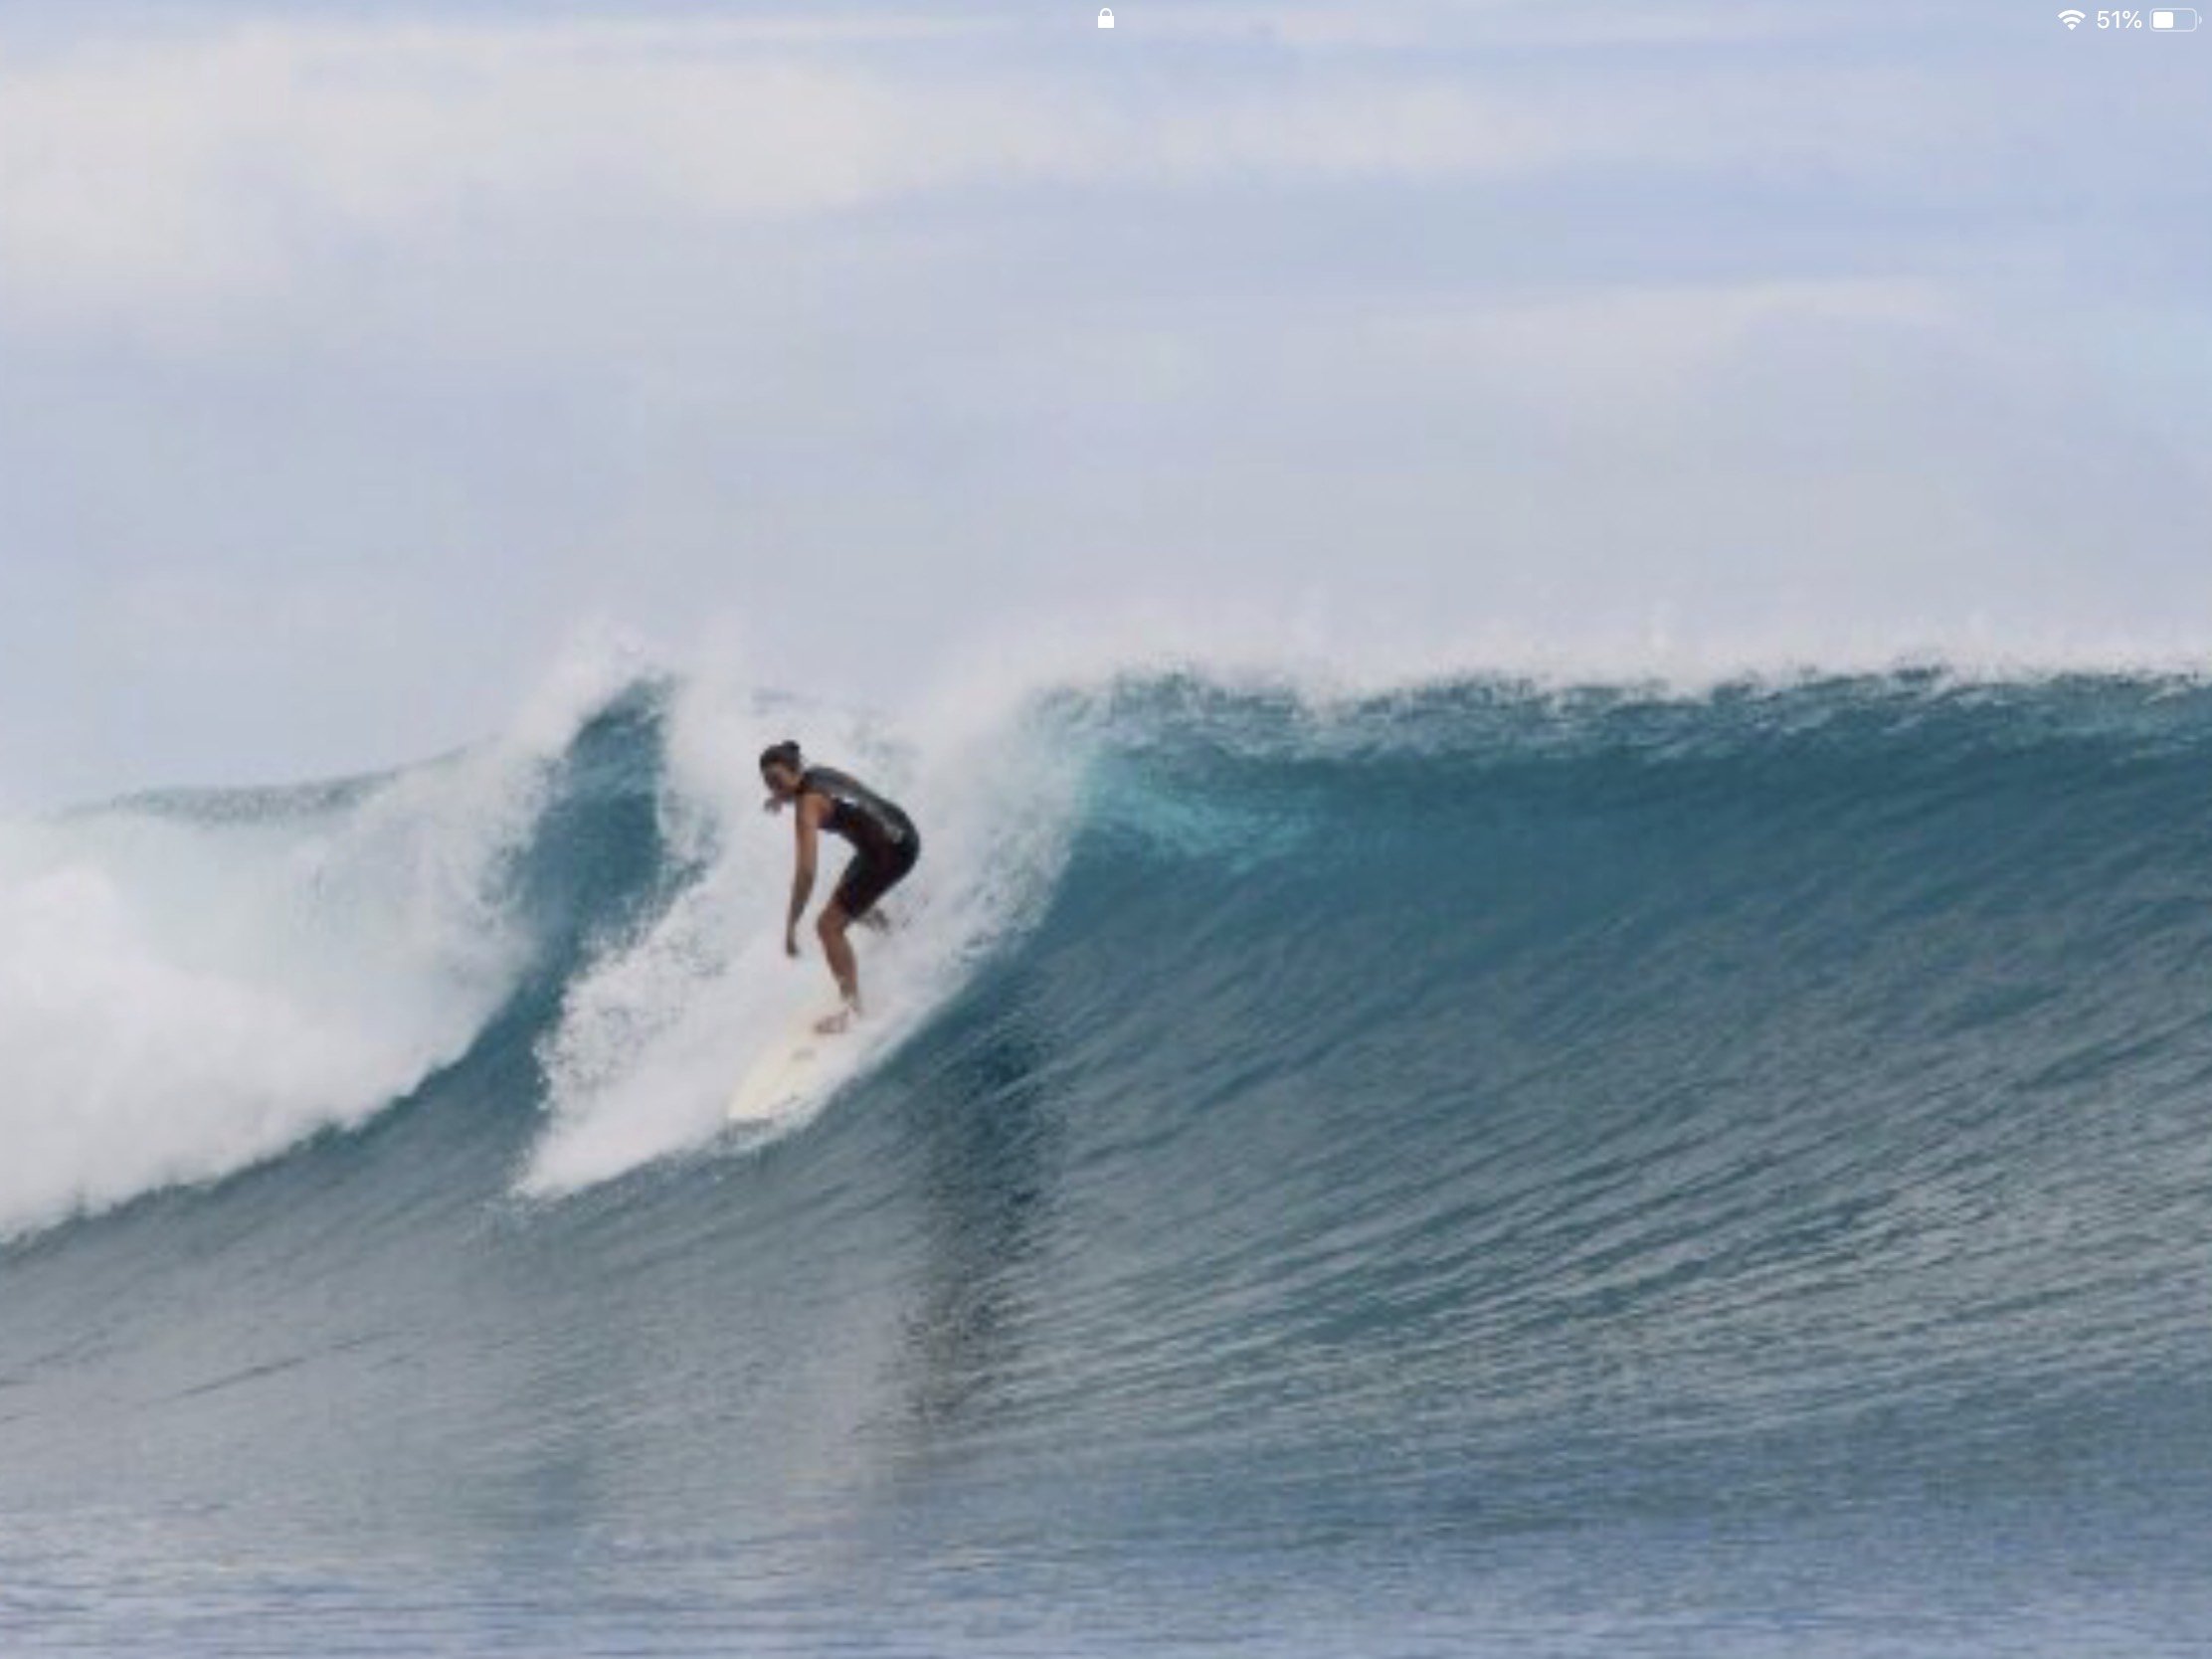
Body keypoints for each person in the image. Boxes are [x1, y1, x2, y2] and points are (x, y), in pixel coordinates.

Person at [758, 740, 921, 1032]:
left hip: (890, 854)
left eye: (777, 781)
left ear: (794, 772)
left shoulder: (808, 805)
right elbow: (860, 796)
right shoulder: (820, 774)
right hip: (901, 831)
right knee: (845, 903)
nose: (774, 790)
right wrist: (782, 798)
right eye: (768, 784)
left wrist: (791, 926)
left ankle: (853, 1013)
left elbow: (806, 873)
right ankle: (898, 934)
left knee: (828, 926)